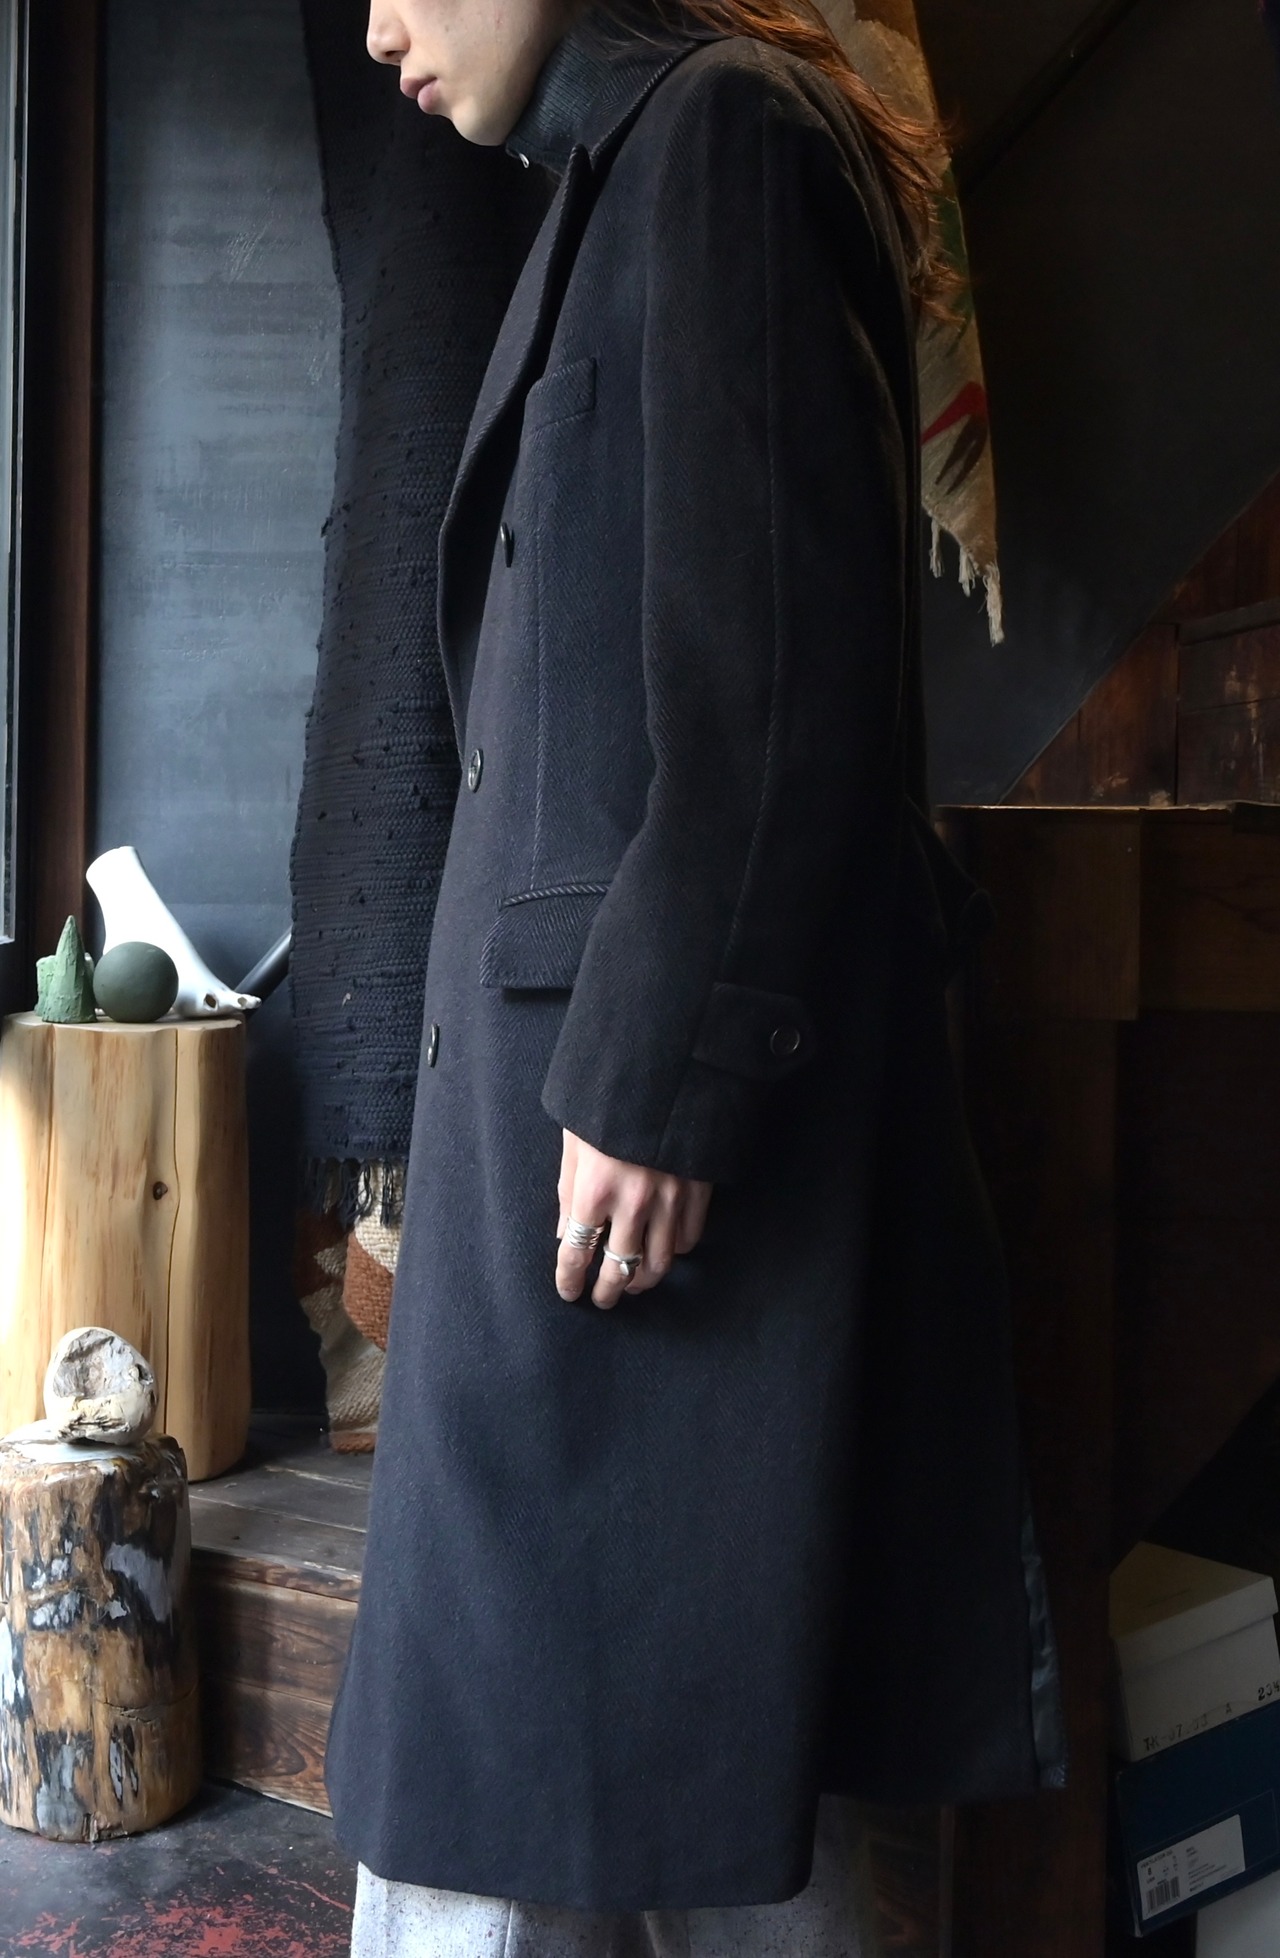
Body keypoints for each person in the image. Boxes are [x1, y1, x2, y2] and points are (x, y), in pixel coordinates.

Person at [327, 0, 1065, 1950]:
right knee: (567, 1782)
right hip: (573, 1156)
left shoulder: (727, 137)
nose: (378, 28)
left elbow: (782, 661)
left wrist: (666, 1077)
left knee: (627, 1788)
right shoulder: (619, 173)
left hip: (633, 1160)